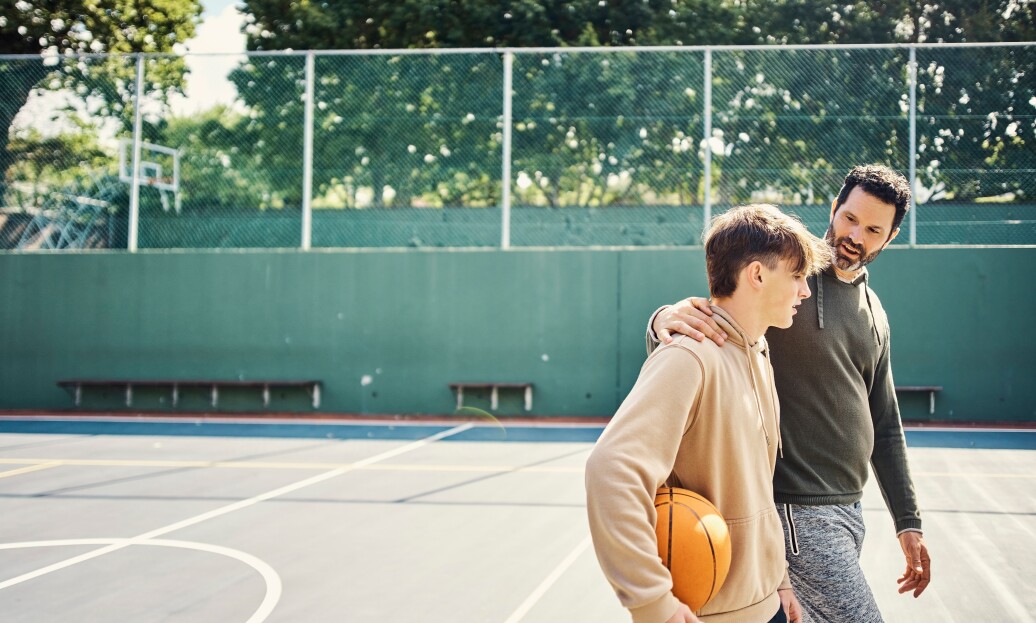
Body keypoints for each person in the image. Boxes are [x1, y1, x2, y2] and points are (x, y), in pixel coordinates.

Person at [648, 165, 932, 622]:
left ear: (890, 236)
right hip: (797, 510)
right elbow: (715, 317)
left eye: (873, 229)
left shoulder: (874, 310)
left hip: (848, 510)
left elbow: (885, 422)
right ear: (834, 208)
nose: (854, 235)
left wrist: (908, 521)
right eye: (850, 218)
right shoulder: (789, 278)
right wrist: (663, 319)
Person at [586, 203, 831, 623]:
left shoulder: (758, 351)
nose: (805, 291)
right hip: (711, 614)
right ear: (756, 275)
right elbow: (611, 470)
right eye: (796, 276)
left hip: (766, 603)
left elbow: (756, 484)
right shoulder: (689, 356)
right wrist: (651, 602)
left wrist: (778, 580)